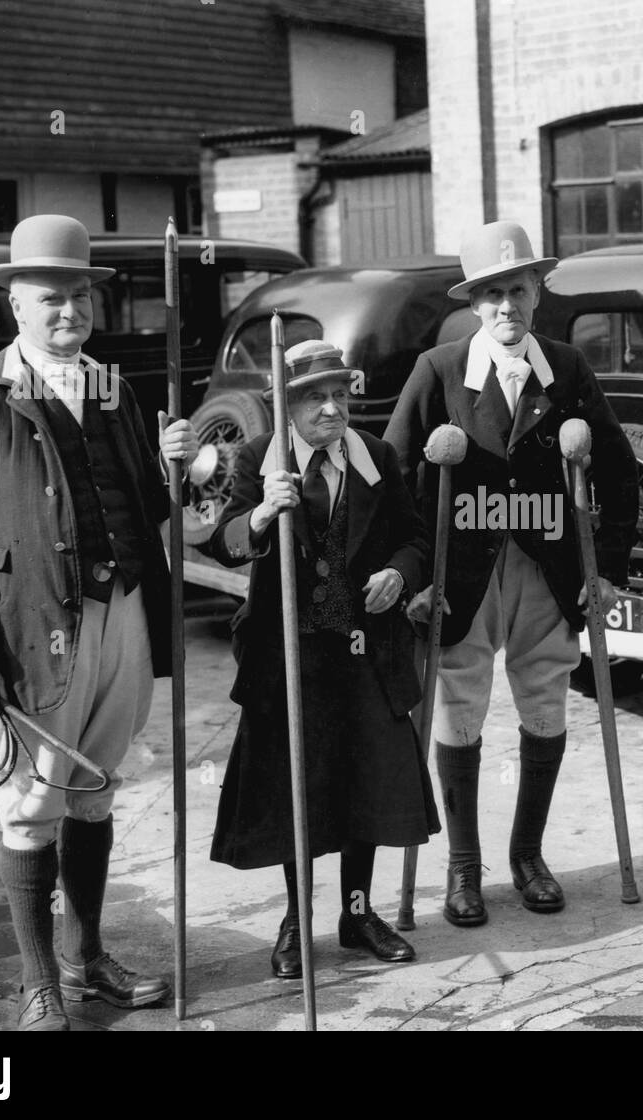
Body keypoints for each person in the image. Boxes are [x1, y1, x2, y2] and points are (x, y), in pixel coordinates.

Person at [0, 214, 199, 1030]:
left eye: (79, 296)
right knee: (28, 803)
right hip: (33, 629)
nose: (68, 312)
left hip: (122, 616)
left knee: (95, 790)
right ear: (15, 305)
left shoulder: (113, 389)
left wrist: (172, 468)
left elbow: (145, 509)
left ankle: (88, 957)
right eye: (51, 299)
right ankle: (39, 983)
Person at [384, 220, 638, 925]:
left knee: (546, 703)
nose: (506, 307)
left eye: (518, 290)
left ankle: (528, 855)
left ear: (537, 291)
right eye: (491, 294)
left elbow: (616, 470)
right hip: (460, 574)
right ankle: (465, 868)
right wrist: (411, 575)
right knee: (460, 709)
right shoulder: (437, 371)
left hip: (547, 571)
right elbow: (397, 477)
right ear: (473, 304)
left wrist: (607, 567)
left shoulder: (567, 367)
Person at [206, 339, 439, 977]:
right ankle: (296, 921)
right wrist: (259, 515)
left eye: (340, 394)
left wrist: (398, 572)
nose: (332, 408)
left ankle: (358, 912)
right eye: (315, 397)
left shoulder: (378, 458)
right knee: (297, 788)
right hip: (287, 654)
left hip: (366, 650)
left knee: (364, 782)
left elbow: (416, 539)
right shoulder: (260, 457)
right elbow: (222, 544)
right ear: (287, 404)